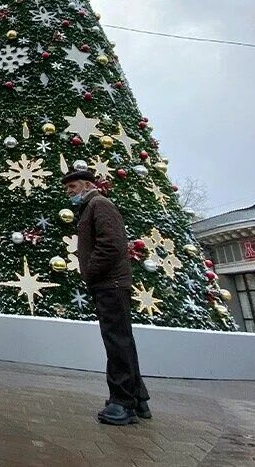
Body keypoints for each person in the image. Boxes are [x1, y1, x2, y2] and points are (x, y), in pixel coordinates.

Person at [62, 170, 151, 426]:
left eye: (73, 186)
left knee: (116, 341)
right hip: (110, 283)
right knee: (122, 339)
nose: (69, 191)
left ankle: (122, 403)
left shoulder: (99, 204)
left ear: (88, 185)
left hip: (109, 283)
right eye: (67, 187)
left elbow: (111, 244)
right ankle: (137, 397)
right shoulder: (92, 206)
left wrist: (90, 271)